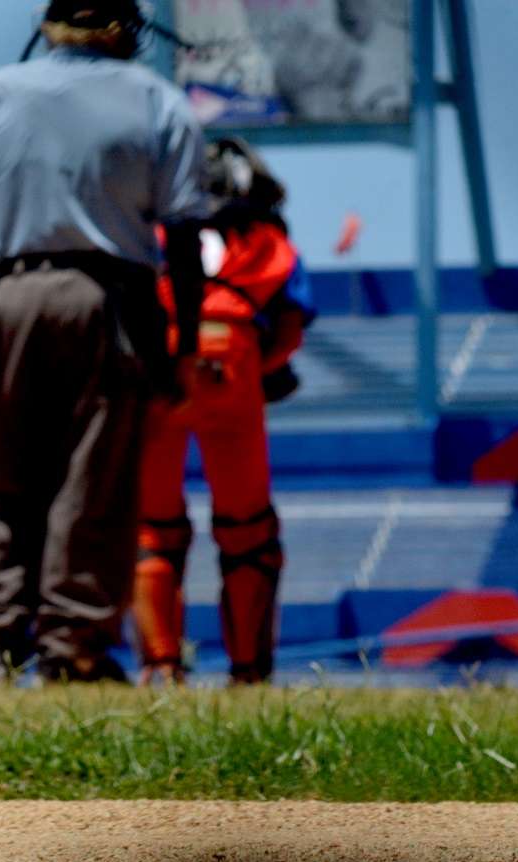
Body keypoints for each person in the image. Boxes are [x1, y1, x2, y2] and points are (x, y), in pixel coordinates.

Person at [0, 0, 208, 683]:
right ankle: (72, 644)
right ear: (123, 30)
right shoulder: (156, 99)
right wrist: (183, 343)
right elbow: (182, 233)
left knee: (7, 479)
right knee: (94, 481)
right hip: (108, 297)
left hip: (11, 293)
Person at [130, 136, 315, 686]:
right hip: (231, 359)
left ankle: (160, 668)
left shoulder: (151, 232)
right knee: (248, 526)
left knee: (153, 527)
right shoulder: (265, 238)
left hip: (159, 360)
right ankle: (249, 673)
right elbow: (289, 328)